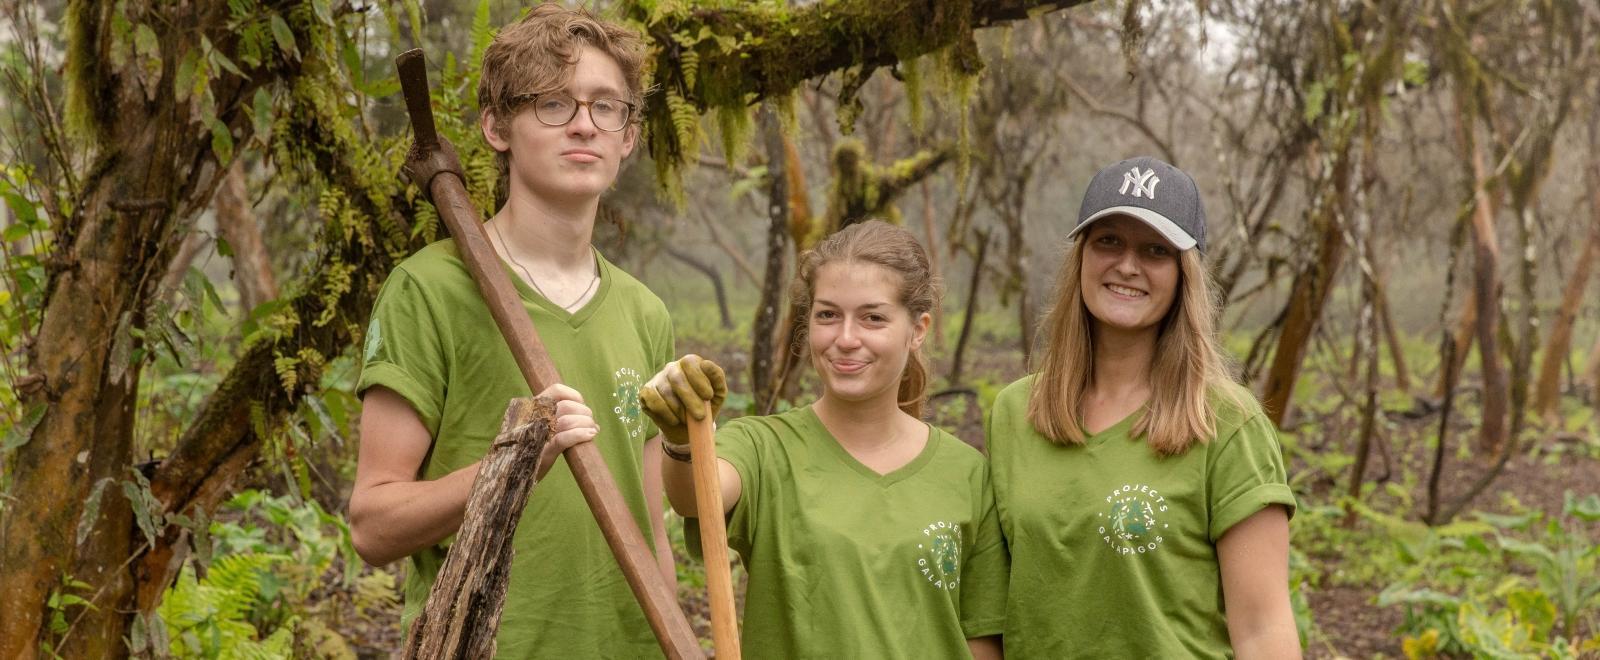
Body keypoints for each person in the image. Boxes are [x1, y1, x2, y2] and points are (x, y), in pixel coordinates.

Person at [348, 5, 677, 657]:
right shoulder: (429, 292)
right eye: (553, 103)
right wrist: (513, 463)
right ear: (497, 126)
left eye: (606, 106)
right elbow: (373, 525)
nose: (584, 124)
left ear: (629, 136)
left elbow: (651, 532)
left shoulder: (646, 313)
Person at [642, 221, 1007, 659]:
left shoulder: (967, 473)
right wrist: (685, 439)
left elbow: (981, 640)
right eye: (828, 315)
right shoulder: (764, 448)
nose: (846, 339)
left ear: (918, 330)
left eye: (873, 318)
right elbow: (696, 496)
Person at [986, 156, 1300, 658]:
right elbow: (991, 614)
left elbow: (1263, 629)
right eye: (1108, 240)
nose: (1127, 265)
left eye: (1155, 250)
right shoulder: (1015, 412)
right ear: (1082, 257)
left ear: (1183, 275)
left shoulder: (1225, 421)